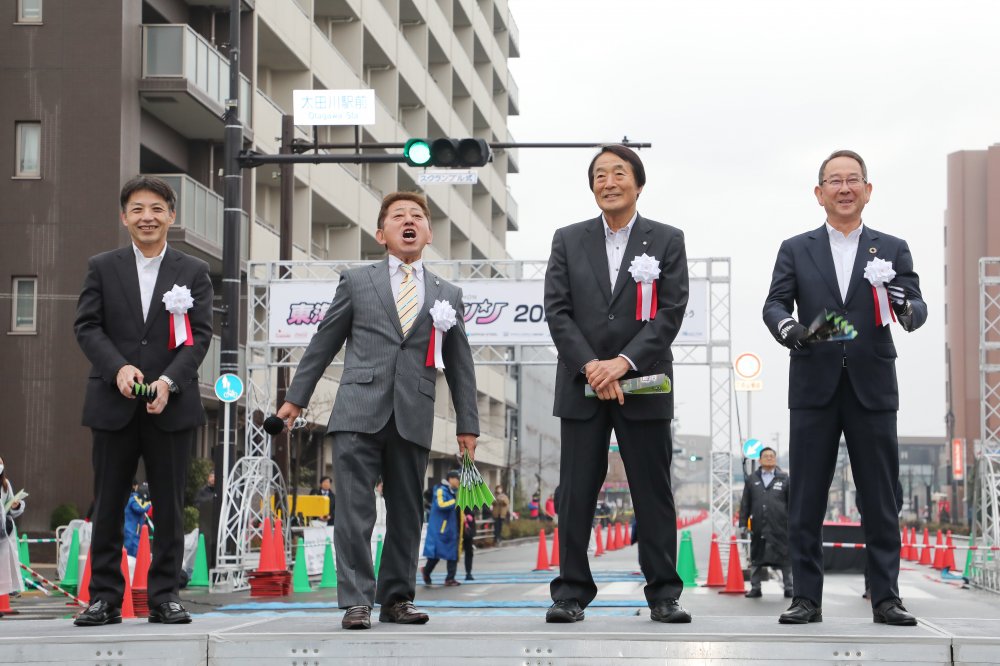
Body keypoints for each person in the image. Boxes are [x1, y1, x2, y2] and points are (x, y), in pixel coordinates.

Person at [275, 191, 479, 630]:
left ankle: (397, 600)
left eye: (417, 216)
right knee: (353, 511)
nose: (409, 221)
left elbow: (461, 364)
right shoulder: (357, 281)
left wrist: (468, 424)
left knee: (408, 512)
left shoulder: (449, 293)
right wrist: (295, 400)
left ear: (427, 233)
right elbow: (323, 343)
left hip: (414, 413)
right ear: (381, 233)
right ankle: (355, 601)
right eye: (398, 216)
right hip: (357, 410)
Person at [763, 150, 927, 626]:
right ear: (819, 193)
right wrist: (788, 329)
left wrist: (909, 310)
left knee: (880, 498)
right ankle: (806, 599)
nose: (844, 188)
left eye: (853, 179)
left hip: (872, 387)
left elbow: (913, 302)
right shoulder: (796, 248)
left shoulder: (892, 247)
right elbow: (774, 304)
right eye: (834, 181)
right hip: (813, 385)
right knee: (807, 499)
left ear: (868, 190)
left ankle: (886, 597)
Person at [543, 145, 691, 625]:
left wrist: (623, 363)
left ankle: (664, 593)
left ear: (638, 184)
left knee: (653, 491)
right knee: (576, 493)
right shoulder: (567, 239)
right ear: (592, 187)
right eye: (600, 175)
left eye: (619, 173)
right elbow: (558, 312)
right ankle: (570, 592)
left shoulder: (667, 240)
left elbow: (670, 312)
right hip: (582, 384)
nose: (609, 181)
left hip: (643, 383)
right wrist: (592, 366)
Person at [74, 176, 213, 627]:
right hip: (112, 401)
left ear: (171, 215)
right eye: (137, 209)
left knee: (171, 505)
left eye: (156, 208)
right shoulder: (102, 265)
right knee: (108, 502)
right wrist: (117, 369)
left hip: (170, 404)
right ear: (124, 217)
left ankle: (165, 596)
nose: (147, 217)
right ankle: (105, 597)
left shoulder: (192, 271)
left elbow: (201, 336)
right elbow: (87, 326)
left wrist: (169, 382)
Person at [738, 448, 792, 599]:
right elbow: (745, 503)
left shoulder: (784, 478)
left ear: (775, 459)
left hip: (780, 526)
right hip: (758, 526)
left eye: (772, 456)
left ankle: (789, 587)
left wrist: (793, 522)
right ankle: (755, 588)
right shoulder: (752, 479)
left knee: (785, 557)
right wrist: (743, 522)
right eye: (766, 456)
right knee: (756, 557)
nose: (769, 458)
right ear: (760, 460)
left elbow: (791, 503)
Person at [421, 471, 461, 587]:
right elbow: (441, 504)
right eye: (457, 479)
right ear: (451, 479)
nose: (459, 481)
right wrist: (455, 501)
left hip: (450, 529)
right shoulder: (440, 489)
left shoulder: (454, 491)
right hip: (440, 529)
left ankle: (450, 578)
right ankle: (426, 572)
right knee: (435, 556)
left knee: (453, 554)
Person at [0, 457, 26, 605]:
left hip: (2, 532)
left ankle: (6, 593)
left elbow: (10, 506)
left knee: (4, 564)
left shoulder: (5, 484)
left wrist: (16, 505)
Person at [123, 479, 152, 558]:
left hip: (134, 530)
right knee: (132, 548)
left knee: (136, 546)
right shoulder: (134, 499)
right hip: (130, 530)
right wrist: (149, 503)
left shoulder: (134, 498)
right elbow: (140, 508)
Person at [462, 508, 477, 581]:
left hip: (468, 529)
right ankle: (450, 575)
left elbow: (475, 509)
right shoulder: (456, 498)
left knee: (469, 552)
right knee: (453, 552)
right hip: (458, 526)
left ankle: (468, 573)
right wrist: (463, 516)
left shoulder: (472, 500)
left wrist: (471, 513)